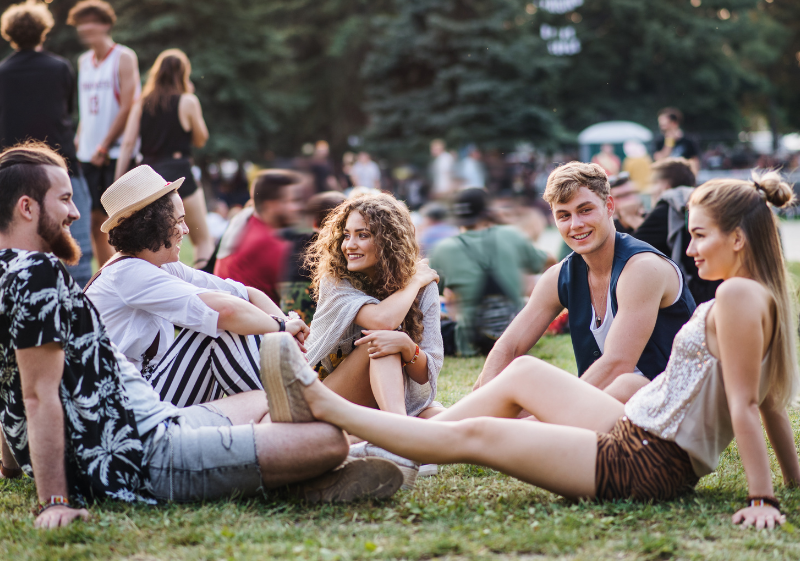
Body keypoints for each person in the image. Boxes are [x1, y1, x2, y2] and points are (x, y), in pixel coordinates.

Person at [262, 171, 800, 530]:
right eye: (563, 215)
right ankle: (389, 448)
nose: (689, 248)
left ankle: (338, 419)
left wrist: (763, 498)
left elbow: (749, 405)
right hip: (643, 426)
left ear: (738, 239)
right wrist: (794, 483)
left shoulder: (723, 293)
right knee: (522, 373)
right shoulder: (755, 297)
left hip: (643, 460)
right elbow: (771, 401)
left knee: (477, 436)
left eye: (701, 236)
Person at [0, 143, 405, 530]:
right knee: (324, 438)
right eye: (65, 198)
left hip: (145, 420)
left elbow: (13, 387)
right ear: (27, 207)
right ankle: (354, 448)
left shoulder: (19, 274)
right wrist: (53, 500)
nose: (74, 212)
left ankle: (312, 452)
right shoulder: (46, 273)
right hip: (139, 442)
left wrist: (12, 463)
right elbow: (37, 395)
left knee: (264, 396)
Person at [85, 164, 306, 407]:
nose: (186, 230)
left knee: (224, 322)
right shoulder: (127, 273)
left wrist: (286, 333)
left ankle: (293, 404)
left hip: (149, 396)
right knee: (215, 330)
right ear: (152, 225)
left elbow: (248, 294)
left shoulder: (160, 266)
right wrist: (282, 326)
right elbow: (226, 311)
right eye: (179, 221)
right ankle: (291, 408)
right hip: (126, 414)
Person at [475, 162, 696, 403]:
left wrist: (555, 409)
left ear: (609, 206)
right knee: (521, 375)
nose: (575, 224)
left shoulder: (642, 267)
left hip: (673, 405)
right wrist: (479, 404)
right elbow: (508, 347)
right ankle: (460, 428)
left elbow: (617, 364)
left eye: (585, 210)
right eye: (564, 215)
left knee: (628, 385)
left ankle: (488, 431)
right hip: (600, 405)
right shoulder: (559, 275)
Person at [304, 193, 444, 418]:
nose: (349, 245)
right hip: (324, 392)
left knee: (443, 421)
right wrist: (415, 282)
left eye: (363, 235)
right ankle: (397, 429)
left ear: (390, 240)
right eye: (346, 235)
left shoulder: (425, 289)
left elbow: (425, 375)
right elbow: (382, 320)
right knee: (381, 338)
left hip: (389, 397)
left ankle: (382, 433)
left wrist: (407, 347)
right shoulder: (336, 280)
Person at [0, 0, 93, 288]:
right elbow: (69, 110)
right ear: (43, 31)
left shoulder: (2, 72)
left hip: (14, 171)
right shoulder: (61, 68)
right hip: (61, 165)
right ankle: (77, 297)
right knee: (77, 240)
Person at [115, 49, 215, 269]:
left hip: (150, 178)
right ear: (183, 74)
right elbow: (201, 139)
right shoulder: (187, 101)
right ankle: (203, 284)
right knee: (203, 240)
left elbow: (128, 144)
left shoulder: (141, 103)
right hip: (180, 172)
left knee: (152, 244)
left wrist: (119, 182)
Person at [430, 188, 549, 357]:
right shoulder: (511, 235)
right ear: (488, 212)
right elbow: (549, 262)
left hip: (468, 344)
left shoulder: (444, 249)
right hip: (518, 340)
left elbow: (433, 291)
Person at [68, 0, 140, 268]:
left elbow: (128, 106)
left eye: (90, 22)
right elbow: (84, 111)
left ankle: (125, 272)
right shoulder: (84, 61)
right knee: (94, 222)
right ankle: (105, 276)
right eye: (80, 23)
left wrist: (104, 144)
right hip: (86, 153)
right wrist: (77, 143)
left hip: (113, 152)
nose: (85, 28)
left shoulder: (123, 57)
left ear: (106, 24)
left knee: (119, 220)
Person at [616, 159, 721, 305]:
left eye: (653, 183)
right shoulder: (697, 203)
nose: (650, 190)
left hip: (693, 292)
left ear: (664, 185)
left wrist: (629, 219)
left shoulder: (669, 205)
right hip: (714, 283)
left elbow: (631, 251)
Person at [214, 169, 304, 304]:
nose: (297, 208)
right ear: (270, 205)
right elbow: (294, 301)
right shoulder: (270, 244)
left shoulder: (242, 220)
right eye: (290, 201)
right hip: (253, 322)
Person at [278, 190, 347, 324]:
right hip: (308, 298)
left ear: (314, 223)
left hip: (290, 305)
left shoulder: (297, 239)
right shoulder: (335, 246)